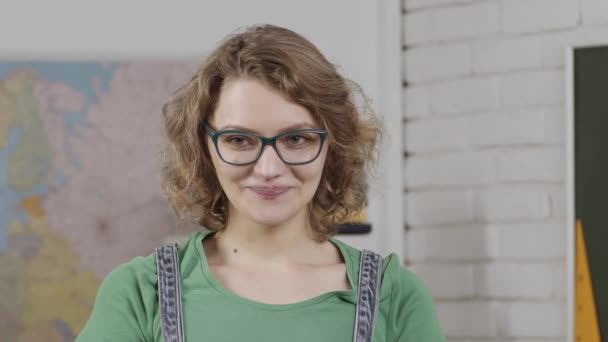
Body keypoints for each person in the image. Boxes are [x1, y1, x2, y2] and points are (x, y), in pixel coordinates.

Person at [76, 24, 445, 341]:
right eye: (239, 140)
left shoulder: (394, 297)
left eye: (297, 139)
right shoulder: (141, 294)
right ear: (205, 146)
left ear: (332, 145)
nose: (268, 168)